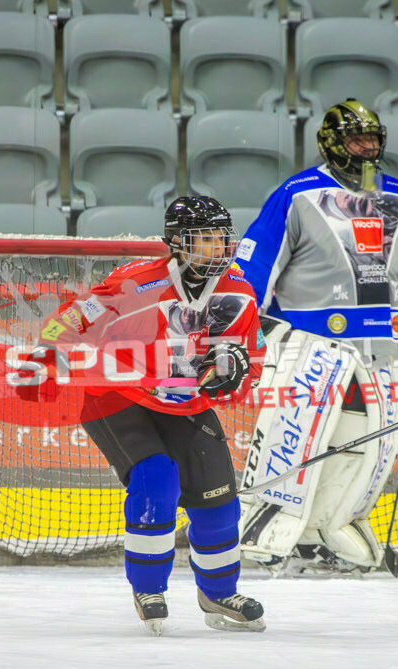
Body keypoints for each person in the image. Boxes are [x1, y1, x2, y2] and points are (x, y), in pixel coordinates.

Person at [18, 196, 267, 635]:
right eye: (206, 239)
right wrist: (47, 353)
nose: (219, 247)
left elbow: (254, 357)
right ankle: (149, 588)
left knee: (219, 501)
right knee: (156, 478)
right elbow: (71, 319)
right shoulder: (135, 283)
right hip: (117, 397)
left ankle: (219, 591)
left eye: (222, 238)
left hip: (185, 405)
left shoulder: (240, 293)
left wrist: (236, 372)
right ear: (178, 242)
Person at [233, 98, 398, 574]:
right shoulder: (298, 194)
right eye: (356, 140)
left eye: (372, 140)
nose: (367, 149)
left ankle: (332, 530)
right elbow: (256, 263)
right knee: (294, 441)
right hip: (308, 344)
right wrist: (248, 327)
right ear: (332, 143)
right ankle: (266, 527)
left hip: (382, 349)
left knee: (368, 448)